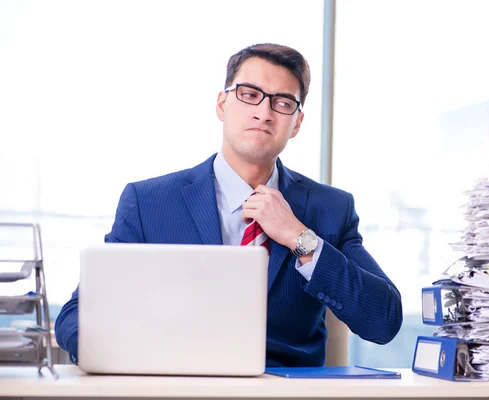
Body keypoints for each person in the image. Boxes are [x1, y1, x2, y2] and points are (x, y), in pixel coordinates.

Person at [55, 43, 403, 367]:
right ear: (222, 104)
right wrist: (133, 364)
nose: (264, 113)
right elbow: (77, 314)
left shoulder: (330, 208)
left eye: (282, 103)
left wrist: (299, 236)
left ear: (296, 123)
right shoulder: (149, 202)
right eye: (249, 95)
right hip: (175, 385)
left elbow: (384, 319)